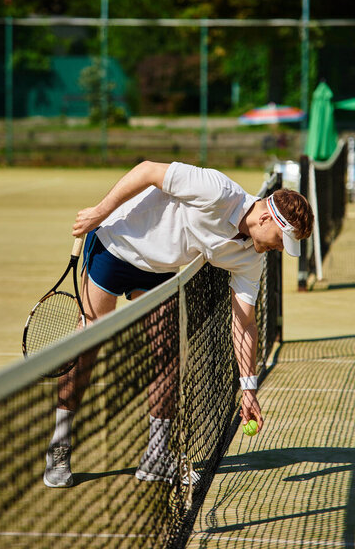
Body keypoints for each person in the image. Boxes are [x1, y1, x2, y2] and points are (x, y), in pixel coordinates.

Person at [43, 160, 314, 488]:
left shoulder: (251, 257)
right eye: (281, 240)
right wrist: (99, 213)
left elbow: (244, 324)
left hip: (161, 273)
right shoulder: (217, 191)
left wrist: (249, 388)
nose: (280, 249)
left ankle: (156, 456)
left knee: (169, 354)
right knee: (87, 346)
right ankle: (59, 446)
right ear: (266, 218)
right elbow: (147, 172)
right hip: (115, 246)